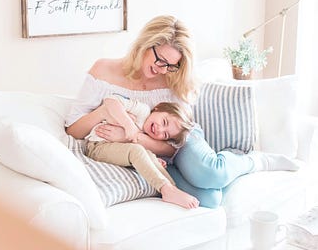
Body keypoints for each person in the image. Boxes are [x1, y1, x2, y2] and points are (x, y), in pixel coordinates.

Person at [65, 15, 299, 209]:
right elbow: (73, 129)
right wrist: (106, 112)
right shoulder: (104, 70)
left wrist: (133, 136)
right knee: (210, 200)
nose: (161, 69)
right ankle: (217, 173)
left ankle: (253, 161)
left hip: (178, 136)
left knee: (211, 174)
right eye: (160, 60)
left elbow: (172, 144)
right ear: (145, 45)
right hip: (147, 152)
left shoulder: (172, 79)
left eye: (171, 65)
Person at [84, 93, 198, 209]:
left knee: (149, 156)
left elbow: (134, 149)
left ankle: (172, 189)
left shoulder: (149, 135)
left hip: (117, 150)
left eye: (165, 134)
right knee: (137, 150)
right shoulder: (142, 111)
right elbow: (110, 100)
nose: (160, 129)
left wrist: (151, 159)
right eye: (164, 122)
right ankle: (165, 189)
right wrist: (128, 125)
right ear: (158, 108)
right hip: (98, 146)